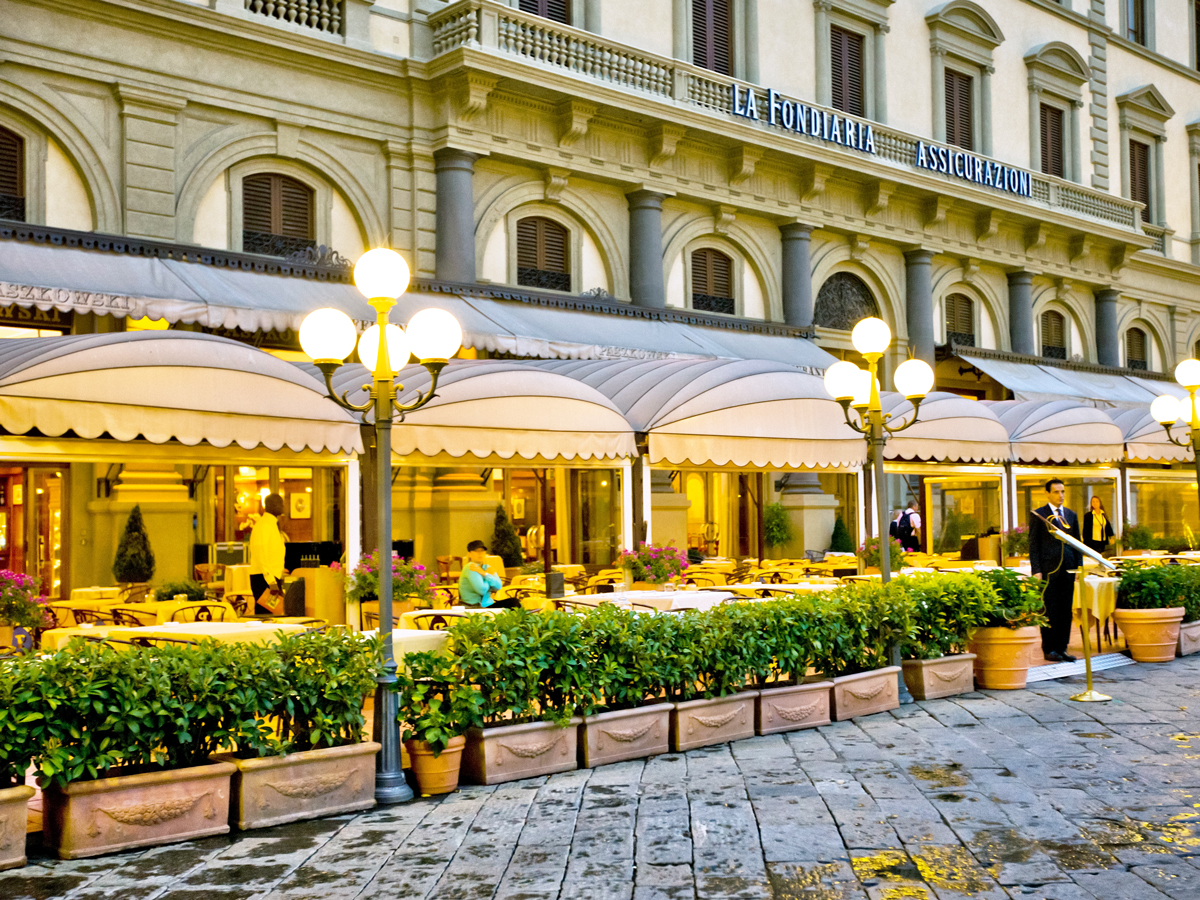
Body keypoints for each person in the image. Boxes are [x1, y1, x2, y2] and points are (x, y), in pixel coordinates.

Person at [1029, 478, 1082, 663]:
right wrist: (1036, 569)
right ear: (1048, 494)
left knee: (1065, 610)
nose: (1061, 495)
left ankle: (1062, 647)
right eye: (1057, 492)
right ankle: (1049, 648)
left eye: (1063, 492)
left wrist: (1078, 567)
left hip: (1068, 568)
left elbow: (1077, 543)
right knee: (1049, 609)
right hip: (1048, 569)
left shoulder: (1071, 515)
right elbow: (1033, 544)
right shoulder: (1039, 515)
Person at [249, 493, 288, 615]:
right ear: (271, 505)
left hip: (271, 577)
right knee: (265, 616)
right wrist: (271, 582)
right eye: (280, 503)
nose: (283, 507)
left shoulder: (273, 524)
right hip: (263, 578)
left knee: (274, 614)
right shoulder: (263, 525)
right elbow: (261, 555)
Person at [458, 540, 511, 609]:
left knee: (513, 602)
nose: (480, 553)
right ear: (469, 554)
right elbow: (482, 590)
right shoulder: (470, 567)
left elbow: (498, 586)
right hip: (474, 607)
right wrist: (487, 576)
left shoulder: (486, 567)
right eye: (477, 551)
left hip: (487, 605)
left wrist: (485, 573)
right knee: (513, 604)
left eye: (482, 551)